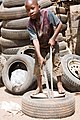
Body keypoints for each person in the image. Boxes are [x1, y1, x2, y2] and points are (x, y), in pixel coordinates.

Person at [25, 0, 65, 95]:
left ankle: (60, 85)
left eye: (32, 8)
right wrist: (39, 55)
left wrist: (53, 38)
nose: (31, 12)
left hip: (52, 42)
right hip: (40, 45)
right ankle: (39, 87)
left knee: (56, 63)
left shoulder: (47, 14)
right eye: (28, 10)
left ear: (38, 7)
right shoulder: (30, 24)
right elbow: (35, 40)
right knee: (38, 66)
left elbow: (59, 24)